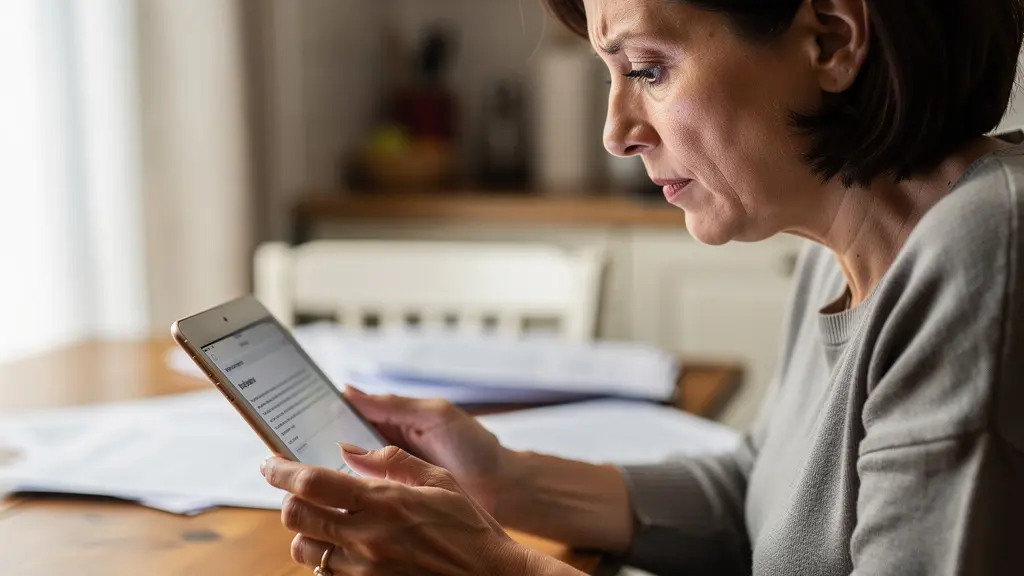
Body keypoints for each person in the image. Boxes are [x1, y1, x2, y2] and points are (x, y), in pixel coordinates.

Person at [260, 0, 1024, 574]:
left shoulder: (980, 251)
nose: (616, 131)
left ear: (832, 39)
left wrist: (500, 566)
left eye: (647, 70)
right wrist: (504, 480)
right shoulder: (844, 241)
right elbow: (762, 496)